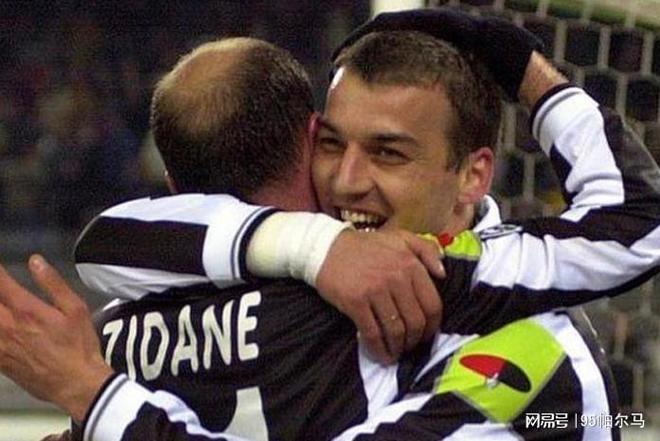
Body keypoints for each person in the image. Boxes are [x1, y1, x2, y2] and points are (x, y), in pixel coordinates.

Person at [2, 7, 660, 441]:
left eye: (388, 153)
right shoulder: (301, 285)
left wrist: (95, 397)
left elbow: (638, 223)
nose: (346, 180)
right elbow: (107, 240)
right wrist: (316, 244)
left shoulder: (529, 348)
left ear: (473, 175)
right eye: (332, 144)